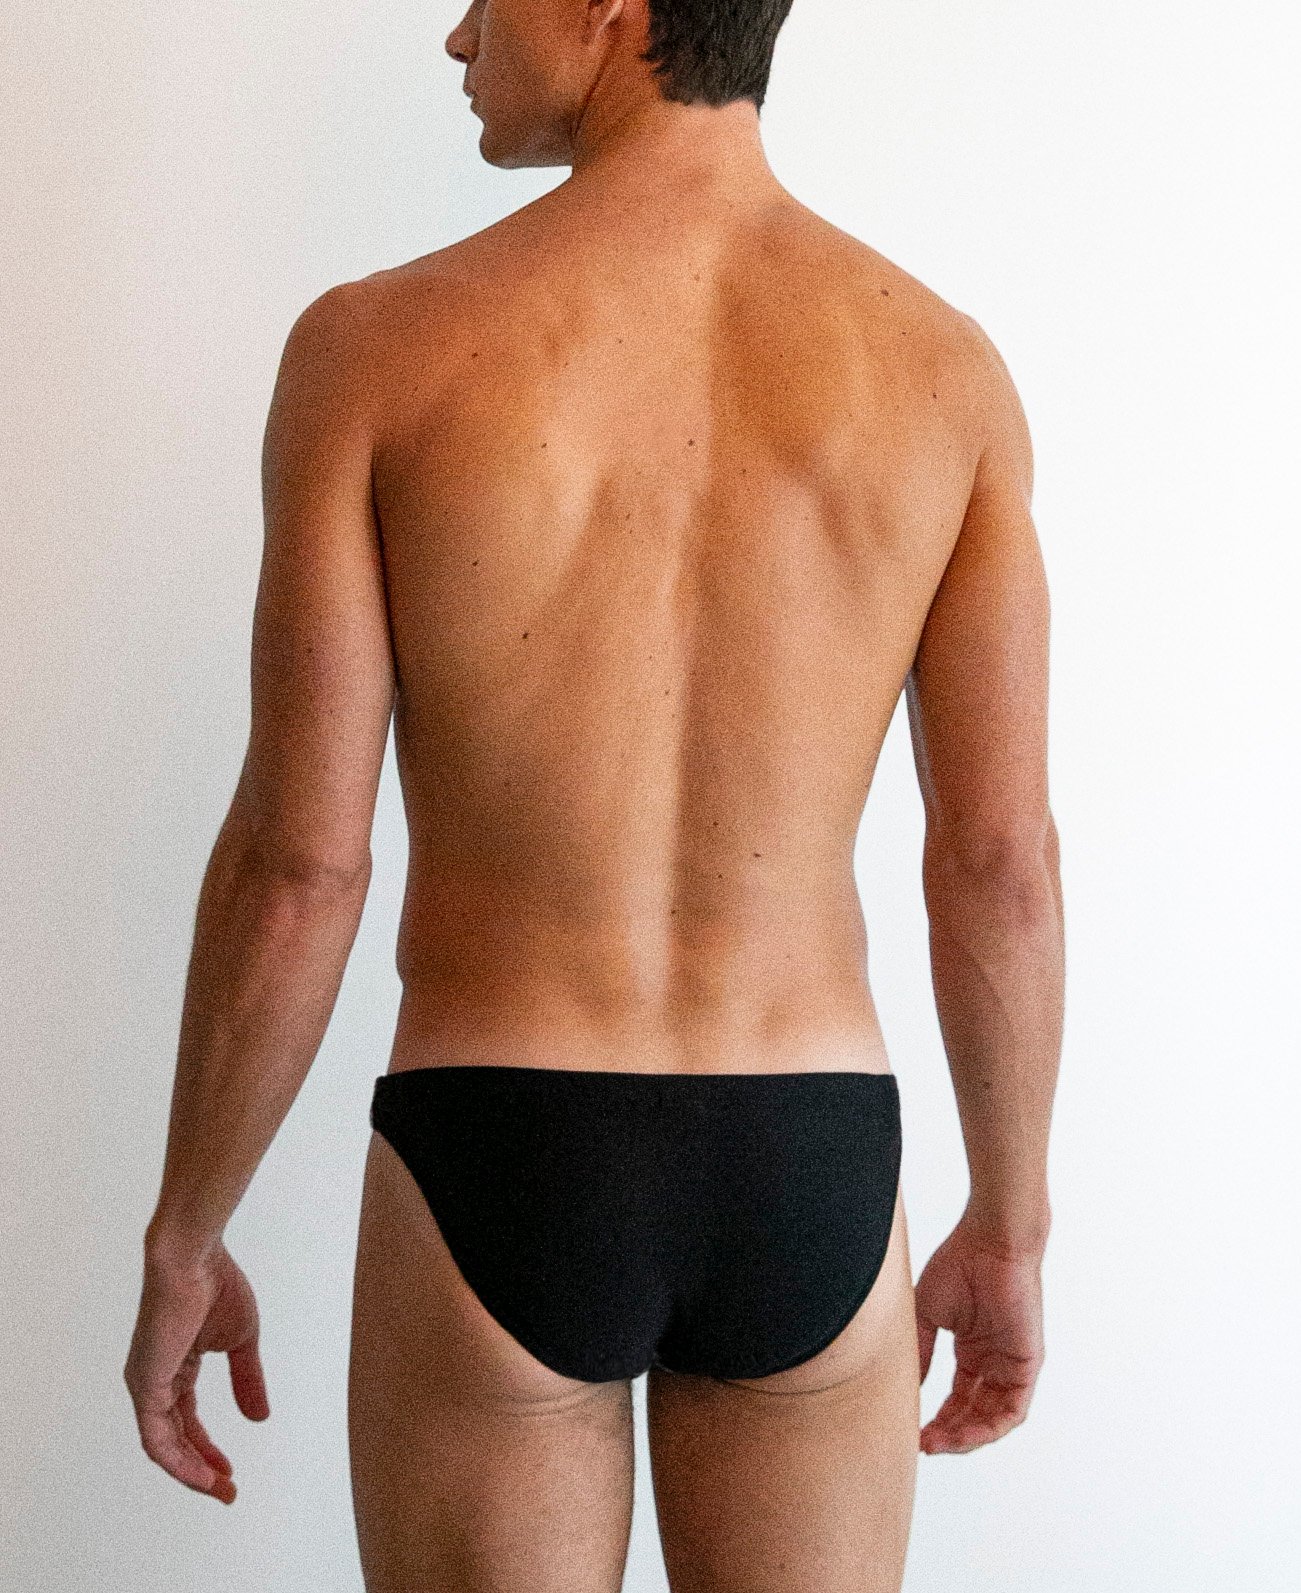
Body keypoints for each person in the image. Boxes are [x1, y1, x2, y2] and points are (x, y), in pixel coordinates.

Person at [123, 0, 1065, 1587]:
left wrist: (184, 1232)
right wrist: (1009, 1221)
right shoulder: (943, 371)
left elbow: (301, 866)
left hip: (502, 1140)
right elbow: (998, 864)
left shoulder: (375, 347)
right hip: (808, 1155)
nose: (457, 37)